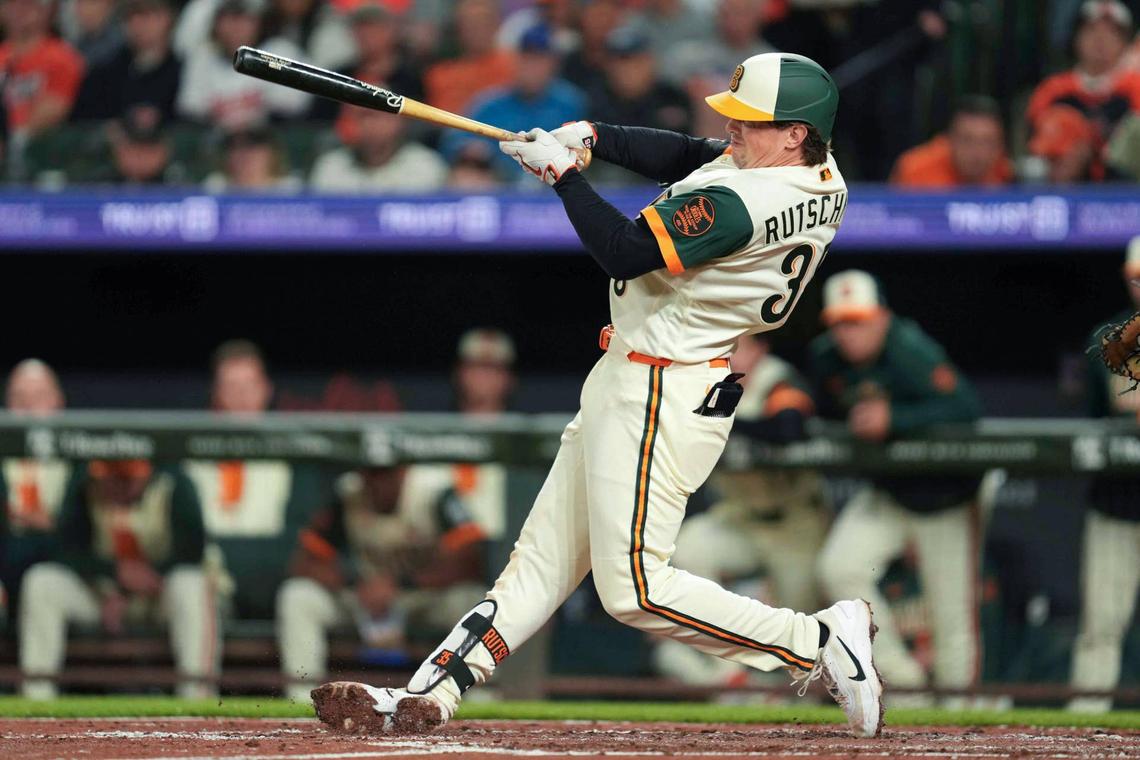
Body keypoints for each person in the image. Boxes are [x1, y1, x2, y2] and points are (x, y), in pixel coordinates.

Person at [313, 52, 886, 740]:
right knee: (541, 564)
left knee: (635, 590)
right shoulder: (809, 171)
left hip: (662, 389)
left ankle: (817, 641)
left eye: (749, 122)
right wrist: (593, 135)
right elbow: (688, 151)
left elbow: (622, 248)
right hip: (639, 372)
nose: (731, 131)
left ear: (794, 132)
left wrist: (563, 176)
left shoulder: (749, 202)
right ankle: (430, 692)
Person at [809, 270, 984, 700]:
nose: (849, 333)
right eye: (841, 323)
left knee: (950, 616)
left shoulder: (908, 349)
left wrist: (896, 420)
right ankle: (904, 679)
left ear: (882, 316)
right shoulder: (827, 357)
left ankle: (959, 716)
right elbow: (825, 408)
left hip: (943, 498)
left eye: (859, 321)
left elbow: (965, 407)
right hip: (889, 493)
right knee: (838, 568)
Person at [653, 333, 830, 687]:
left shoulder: (777, 379)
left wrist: (725, 421)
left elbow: (788, 428)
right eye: (726, 345)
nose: (731, 353)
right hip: (742, 520)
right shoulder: (709, 381)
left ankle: (789, 709)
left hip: (794, 525)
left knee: (800, 638)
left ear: (761, 349)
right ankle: (725, 670)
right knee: (689, 547)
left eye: (742, 345)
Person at [277, 465, 487, 703]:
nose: (378, 482)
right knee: (297, 596)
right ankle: (302, 702)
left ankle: (482, 701)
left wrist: (402, 584)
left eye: (386, 473)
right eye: (371, 473)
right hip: (363, 597)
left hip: (419, 597)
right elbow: (304, 561)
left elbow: (472, 560)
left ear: (403, 471)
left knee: (472, 599)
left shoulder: (434, 490)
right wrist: (354, 582)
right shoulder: (347, 493)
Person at [19, 459, 217, 699]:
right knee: (42, 580)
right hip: (101, 595)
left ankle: (195, 698)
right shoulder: (84, 484)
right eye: (109, 477)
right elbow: (66, 549)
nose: (115, 485)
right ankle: (36, 699)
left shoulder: (175, 483)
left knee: (190, 583)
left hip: (158, 596)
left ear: (146, 474)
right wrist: (113, 575)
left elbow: (191, 552)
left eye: (125, 478)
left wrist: (137, 585)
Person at [185, 340, 324, 622]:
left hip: (274, 582)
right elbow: (189, 540)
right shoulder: (190, 459)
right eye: (231, 387)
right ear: (216, 394)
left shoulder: (293, 458)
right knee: (191, 588)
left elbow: (295, 537)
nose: (241, 397)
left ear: (266, 390)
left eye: (249, 386)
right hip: (211, 583)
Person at [1069, 235, 1140, 713]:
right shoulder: (1110, 335)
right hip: (1120, 500)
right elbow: (1122, 406)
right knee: (1102, 625)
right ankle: (1080, 732)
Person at [442, 24, 583, 182]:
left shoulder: (571, 102)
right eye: (526, 59)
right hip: (502, 185)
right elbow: (452, 142)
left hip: (558, 183)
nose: (532, 67)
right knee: (466, 176)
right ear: (515, 62)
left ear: (554, 64)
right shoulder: (492, 103)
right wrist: (467, 148)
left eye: (539, 60)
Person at [1026, 0, 1140, 182]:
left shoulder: (1136, 88)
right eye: (1091, 30)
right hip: (1059, 184)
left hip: (1124, 186)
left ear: (1125, 43)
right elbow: (1034, 147)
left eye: (1112, 33)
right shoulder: (1053, 90)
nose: (1100, 40)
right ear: (1076, 37)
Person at [0, 360, 74, 625]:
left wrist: (53, 526)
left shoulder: (79, 461)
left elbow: (84, 539)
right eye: (19, 398)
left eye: (39, 397)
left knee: (42, 584)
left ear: (58, 402)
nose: (29, 407)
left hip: (61, 568)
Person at [176, 0, 310, 129]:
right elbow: (191, 111)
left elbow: (297, 106)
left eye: (245, 19)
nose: (237, 27)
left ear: (259, 22)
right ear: (215, 24)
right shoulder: (202, 59)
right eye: (229, 19)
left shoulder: (281, 52)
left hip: (269, 138)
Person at [71, 0, 182, 123]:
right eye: (131, 16)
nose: (137, 23)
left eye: (146, 15)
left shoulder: (181, 71)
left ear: (167, 18)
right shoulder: (107, 72)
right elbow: (83, 120)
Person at [0, 0, 85, 145]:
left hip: (44, 147)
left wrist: (15, 135)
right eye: (11, 4)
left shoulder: (62, 56)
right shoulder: (3, 54)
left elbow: (55, 108)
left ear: (45, 11)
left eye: (26, 5)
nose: (18, 11)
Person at [309, 106, 448, 193]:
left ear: (399, 122)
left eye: (376, 116)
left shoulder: (426, 165)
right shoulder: (330, 166)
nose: (369, 124)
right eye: (361, 116)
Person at [890, 97, 1014, 188]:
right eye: (967, 140)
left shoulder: (1007, 173)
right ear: (949, 140)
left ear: (1000, 146)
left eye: (988, 142)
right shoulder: (915, 169)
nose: (978, 152)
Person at [422, 0, 516, 117]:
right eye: (469, 24)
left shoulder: (515, 67)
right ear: (459, 29)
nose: (477, 31)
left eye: (483, 23)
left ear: (497, 24)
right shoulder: (440, 76)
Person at [203, 125, 301, 192]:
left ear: (272, 153)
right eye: (237, 147)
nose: (245, 155)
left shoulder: (289, 187)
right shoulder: (217, 186)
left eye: (253, 147)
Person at [102, 106, 178, 185]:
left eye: (149, 118)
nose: (145, 122)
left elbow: (154, 164)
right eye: (142, 118)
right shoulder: (118, 144)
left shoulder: (164, 142)